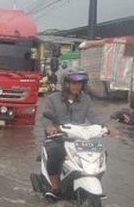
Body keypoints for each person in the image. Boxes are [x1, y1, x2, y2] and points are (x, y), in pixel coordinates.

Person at [41, 70, 103, 199]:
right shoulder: (53, 99)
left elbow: (94, 117)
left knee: (101, 153)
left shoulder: (86, 100)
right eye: (73, 83)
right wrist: (50, 127)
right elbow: (46, 117)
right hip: (57, 138)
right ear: (66, 84)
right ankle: (55, 187)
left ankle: (92, 181)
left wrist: (107, 127)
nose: (77, 86)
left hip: (78, 138)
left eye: (80, 83)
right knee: (55, 153)